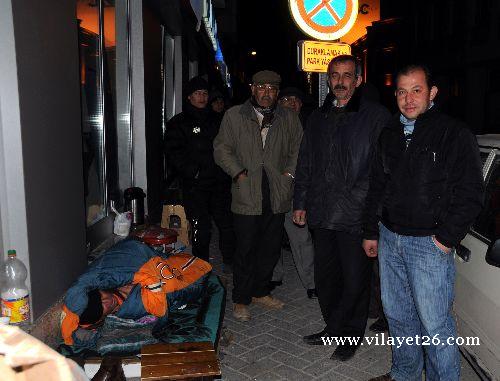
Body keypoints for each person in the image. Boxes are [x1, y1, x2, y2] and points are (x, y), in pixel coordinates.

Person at [362, 64, 484, 381]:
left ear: (432, 93)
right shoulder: (388, 132)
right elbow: (377, 185)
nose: (409, 98)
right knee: (398, 315)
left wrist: (445, 239)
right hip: (390, 238)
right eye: (402, 91)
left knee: (434, 324)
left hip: (428, 245)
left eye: (417, 90)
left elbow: (471, 193)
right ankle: (405, 373)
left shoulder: (453, 133)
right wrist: (370, 231)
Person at [294, 55, 391, 361]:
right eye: (335, 75)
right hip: (322, 213)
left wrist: (368, 209)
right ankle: (333, 327)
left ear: (358, 80)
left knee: (355, 281)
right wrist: (300, 201)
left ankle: (350, 335)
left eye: (347, 76)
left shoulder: (375, 116)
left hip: (356, 214)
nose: (340, 81)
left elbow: (382, 169)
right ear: (328, 78)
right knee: (326, 278)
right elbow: (305, 161)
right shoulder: (317, 117)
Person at [214, 70, 303, 321]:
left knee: (271, 248)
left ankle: (260, 291)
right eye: (261, 87)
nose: (267, 93)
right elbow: (221, 149)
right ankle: (241, 299)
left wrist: (290, 175)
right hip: (246, 192)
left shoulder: (288, 118)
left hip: (276, 192)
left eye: (272, 88)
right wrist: (238, 172)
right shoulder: (234, 115)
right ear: (252, 89)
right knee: (245, 249)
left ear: (277, 92)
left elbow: (299, 149)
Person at [61, 239, 212, 349]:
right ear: (99, 319)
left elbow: (128, 249)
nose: (106, 302)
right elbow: (158, 310)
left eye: (99, 297)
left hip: (177, 262)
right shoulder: (132, 309)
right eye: (101, 309)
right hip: (193, 279)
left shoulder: (110, 281)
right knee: (169, 284)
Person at [164, 76, 235, 267]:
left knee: (227, 225)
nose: (202, 97)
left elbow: (228, 147)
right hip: (196, 186)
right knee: (201, 229)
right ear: (189, 97)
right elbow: (173, 153)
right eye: (198, 94)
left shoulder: (217, 120)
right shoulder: (178, 123)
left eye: (205, 93)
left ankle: (230, 262)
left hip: (220, 183)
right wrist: (193, 172)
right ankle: (200, 267)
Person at [271, 86, 316, 299]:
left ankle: (311, 282)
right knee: (271, 237)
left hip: (298, 193)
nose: (292, 103)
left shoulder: (310, 124)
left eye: (296, 100)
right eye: (287, 99)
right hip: (272, 189)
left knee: (302, 238)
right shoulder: (270, 124)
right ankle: (273, 276)